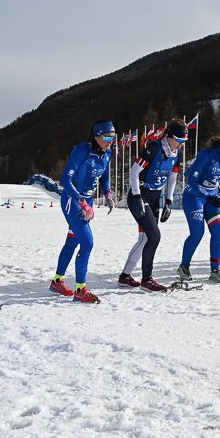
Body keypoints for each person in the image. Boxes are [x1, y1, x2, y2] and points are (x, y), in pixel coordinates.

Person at [51, 120, 118, 303]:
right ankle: (80, 289)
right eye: (107, 138)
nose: (110, 142)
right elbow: (65, 180)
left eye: (113, 138)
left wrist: (107, 193)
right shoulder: (82, 151)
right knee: (87, 243)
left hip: (87, 200)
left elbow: (104, 177)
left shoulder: (107, 152)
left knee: (72, 241)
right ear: (96, 136)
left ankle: (57, 281)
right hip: (72, 200)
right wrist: (81, 201)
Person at [119, 119, 186, 291]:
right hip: (140, 194)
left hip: (155, 197)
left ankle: (125, 277)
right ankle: (146, 280)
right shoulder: (154, 148)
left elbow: (172, 177)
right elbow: (134, 171)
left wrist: (169, 201)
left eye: (184, 141)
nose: (181, 144)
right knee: (154, 236)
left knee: (145, 239)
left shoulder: (176, 153)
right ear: (170, 136)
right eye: (179, 140)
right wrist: (137, 197)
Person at [178, 131, 220, 283]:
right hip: (194, 197)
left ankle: (215, 270)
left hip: (211, 198)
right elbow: (191, 181)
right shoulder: (206, 155)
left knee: (219, 231)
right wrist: (208, 195)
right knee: (197, 233)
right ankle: (184, 266)